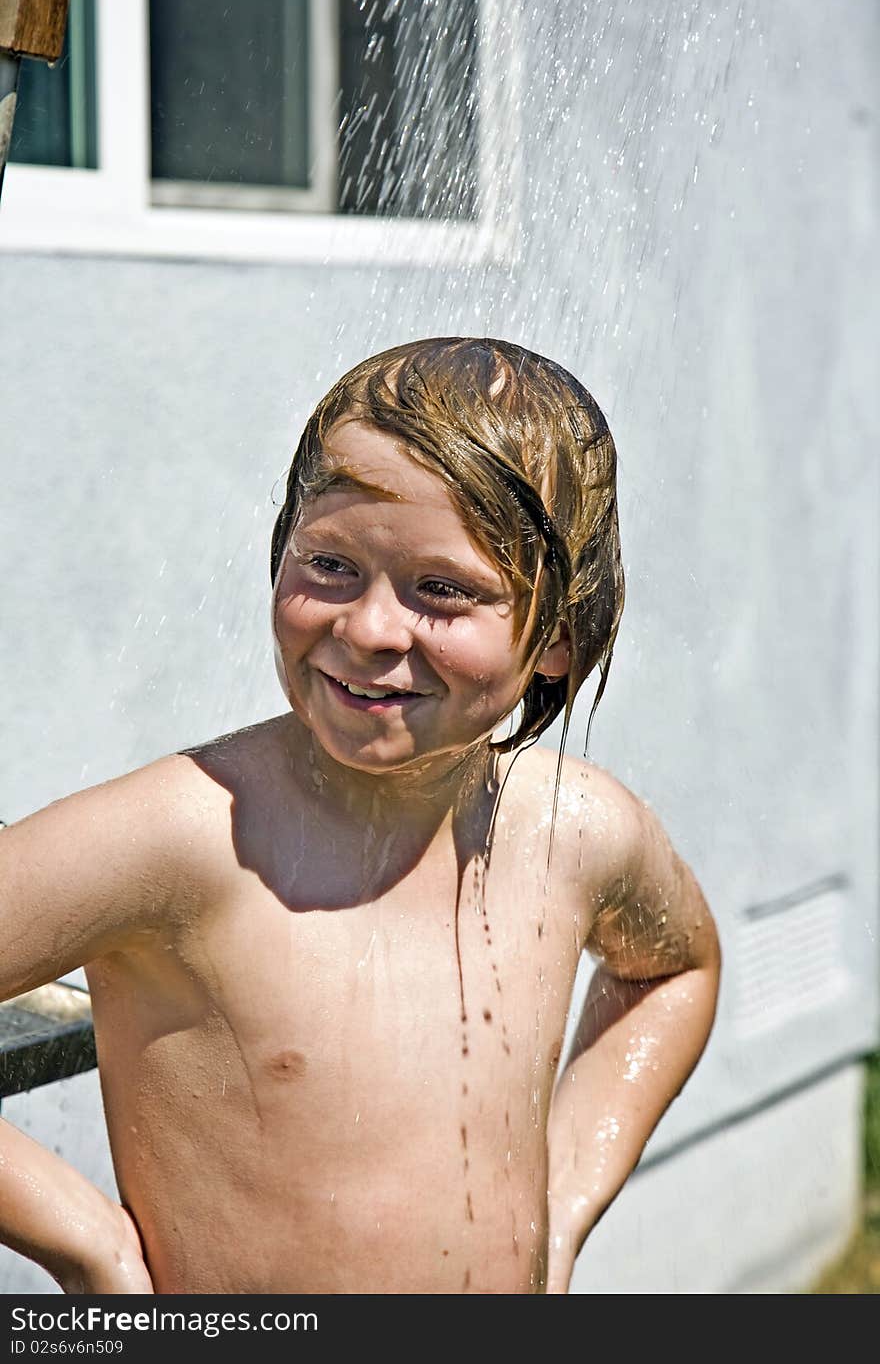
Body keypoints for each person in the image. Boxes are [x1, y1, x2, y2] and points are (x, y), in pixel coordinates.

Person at [0, 336, 720, 1295]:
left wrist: (566, 1192)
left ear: (558, 637)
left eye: (443, 590)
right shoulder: (186, 837)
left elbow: (674, 968)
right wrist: (84, 1240)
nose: (371, 628)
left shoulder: (575, 834)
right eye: (330, 564)